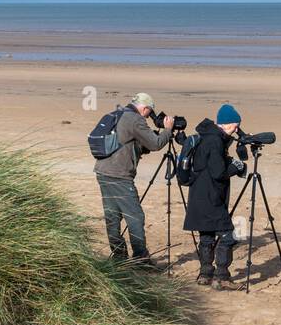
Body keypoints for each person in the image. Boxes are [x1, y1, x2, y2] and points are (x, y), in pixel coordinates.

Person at [94, 93, 174, 267]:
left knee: (112, 216)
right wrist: (168, 129)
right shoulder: (135, 120)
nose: (148, 116)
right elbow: (155, 144)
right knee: (135, 217)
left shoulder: (118, 113)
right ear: (145, 108)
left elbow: (125, 141)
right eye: (149, 113)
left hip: (102, 172)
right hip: (120, 175)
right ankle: (140, 258)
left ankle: (119, 256)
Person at [183, 104, 249, 291]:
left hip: (198, 195)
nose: (237, 130)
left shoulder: (207, 136)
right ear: (226, 124)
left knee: (206, 235)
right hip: (211, 197)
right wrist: (236, 167)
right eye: (235, 126)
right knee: (230, 235)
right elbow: (218, 172)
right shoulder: (215, 141)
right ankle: (222, 276)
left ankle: (205, 274)